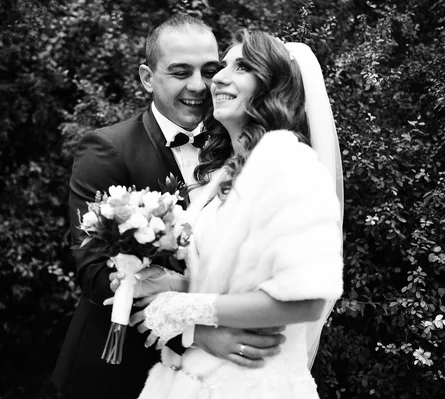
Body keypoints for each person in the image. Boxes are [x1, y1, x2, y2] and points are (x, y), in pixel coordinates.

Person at [50, 17, 286, 399]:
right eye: (180, 72)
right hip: (119, 373)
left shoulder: (239, 145)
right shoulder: (107, 149)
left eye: (209, 71)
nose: (198, 86)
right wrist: (197, 331)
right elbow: (95, 272)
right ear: (147, 77)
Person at [125, 29, 345, 398]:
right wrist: (170, 283)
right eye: (222, 66)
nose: (219, 78)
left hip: (254, 381)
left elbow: (308, 299)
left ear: (273, 87)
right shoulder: (225, 172)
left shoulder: (289, 165)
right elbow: (233, 282)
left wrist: (184, 308)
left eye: (241, 67)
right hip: (192, 378)